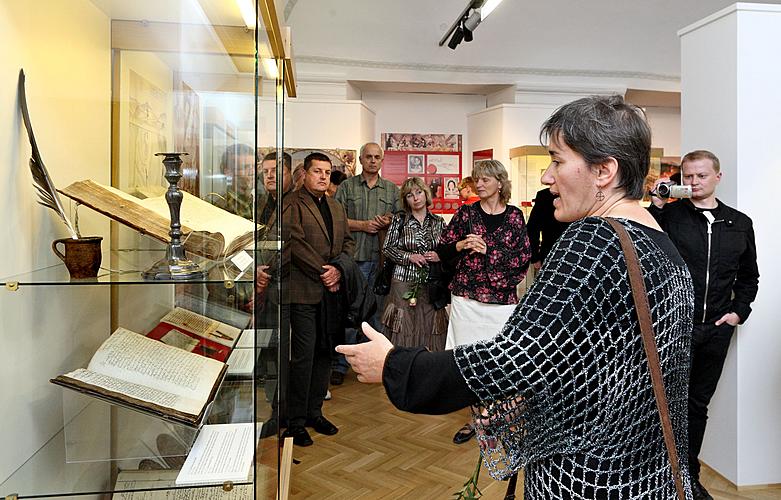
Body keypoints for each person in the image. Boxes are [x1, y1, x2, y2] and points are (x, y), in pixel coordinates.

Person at [337, 95, 696, 499]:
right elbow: (601, 366)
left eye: (558, 161)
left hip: (588, 476)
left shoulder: (593, 240)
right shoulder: (664, 245)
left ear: (604, 171)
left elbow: (513, 359)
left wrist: (393, 365)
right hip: (649, 474)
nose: (546, 176)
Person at [649, 149, 759, 500]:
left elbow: (749, 277)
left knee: (696, 405)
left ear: (717, 177)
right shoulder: (670, 217)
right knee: (662, 402)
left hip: (715, 329)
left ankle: (687, 475)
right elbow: (643, 251)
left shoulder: (739, 222)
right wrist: (656, 208)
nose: (693, 183)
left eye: (700, 176)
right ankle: (655, 475)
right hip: (673, 327)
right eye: (688, 177)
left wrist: (738, 312)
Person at [436, 159, 531, 444]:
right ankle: (476, 418)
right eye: (477, 179)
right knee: (470, 361)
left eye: (485, 179)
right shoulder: (466, 213)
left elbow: (521, 258)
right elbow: (442, 248)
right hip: (467, 298)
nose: (479, 184)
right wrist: (462, 245)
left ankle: (496, 414)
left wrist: (489, 251)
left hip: (501, 301)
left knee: (500, 361)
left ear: (500, 184)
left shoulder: (515, 217)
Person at [281, 152, 354, 446]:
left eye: (327, 172)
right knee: (303, 357)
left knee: (325, 353)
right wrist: (324, 271)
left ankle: (314, 412)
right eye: (317, 172)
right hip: (303, 291)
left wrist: (338, 269)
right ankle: (295, 421)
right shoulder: (292, 204)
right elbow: (293, 243)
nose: (323, 177)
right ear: (304, 174)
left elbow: (348, 242)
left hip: (330, 293)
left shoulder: (335, 206)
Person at [331, 142, 400, 385]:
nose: (372, 160)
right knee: (350, 314)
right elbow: (336, 220)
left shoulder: (392, 190)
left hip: (381, 261)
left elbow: (402, 220)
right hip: (352, 261)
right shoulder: (347, 187)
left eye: (377, 157)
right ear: (361, 160)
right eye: (368, 157)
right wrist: (363, 225)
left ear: (382, 160)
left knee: (377, 315)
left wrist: (388, 220)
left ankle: (378, 365)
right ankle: (341, 364)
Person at [381, 177, 448, 351]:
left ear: (426, 195)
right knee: (403, 324)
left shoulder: (439, 222)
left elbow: (449, 250)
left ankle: (427, 365)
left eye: (419, 193)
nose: (416, 198)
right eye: (410, 195)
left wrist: (439, 255)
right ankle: (402, 365)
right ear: (405, 200)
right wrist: (409, 257)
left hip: (431, 282)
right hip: (403, 280)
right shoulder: (399, 220)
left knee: (430, 322)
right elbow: (387, 248)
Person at [526, 187, 570, 271]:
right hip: (549, 254)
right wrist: (535, 257)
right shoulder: (544, 195)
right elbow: (533, 227)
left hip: (576, 254)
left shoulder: (579, 193)